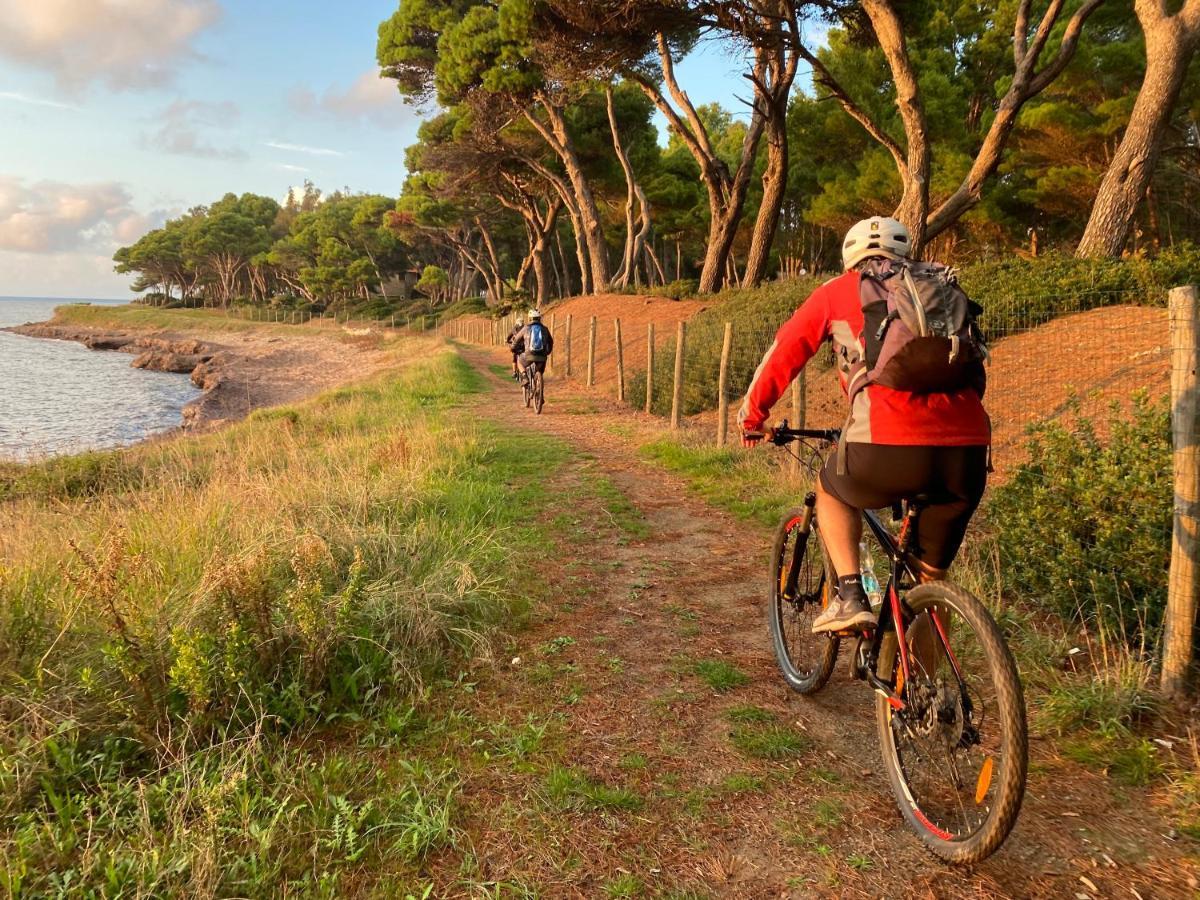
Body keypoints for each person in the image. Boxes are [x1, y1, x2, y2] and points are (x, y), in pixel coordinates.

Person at [738, 217, 990, 633]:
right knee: (929, 583)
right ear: (904, 253)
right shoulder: (939, 287)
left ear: (849, 259)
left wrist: (752, 418)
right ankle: (920, 693)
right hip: (968, 450)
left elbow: (784, 352)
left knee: (830, 488)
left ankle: (850, 596)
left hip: (886, 441)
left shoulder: (838, 292)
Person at [511, 309, 554, 383]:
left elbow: (516, 340)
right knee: (540, 370)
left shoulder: (526, 328)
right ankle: (538, 383)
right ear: (539, 318)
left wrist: (513, 348)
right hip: (542, 356)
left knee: (519, 362)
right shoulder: (545, 329)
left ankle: (524, 377)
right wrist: (548, 352)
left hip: (528, 355)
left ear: (530, 318)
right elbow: (551, 341)